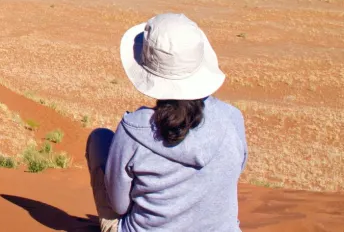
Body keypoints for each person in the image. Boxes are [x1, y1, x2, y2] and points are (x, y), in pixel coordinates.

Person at [86, 13, 247, 232]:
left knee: (99, 139)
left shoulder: (133, 131)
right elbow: (234, 171)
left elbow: (118, 205)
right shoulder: (232, 118)